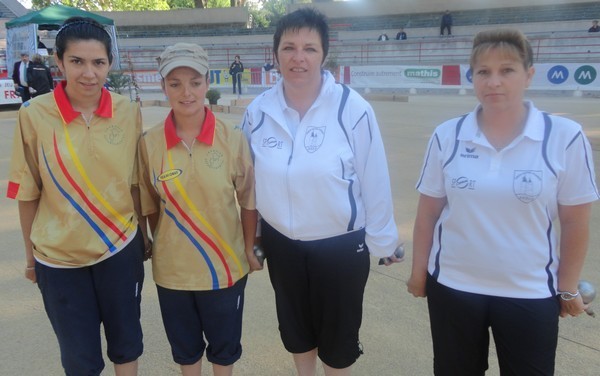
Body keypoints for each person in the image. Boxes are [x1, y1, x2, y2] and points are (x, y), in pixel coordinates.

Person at [407, 28, 599, 375]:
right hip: (453, 288)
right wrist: (419, 272)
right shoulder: (447, 135)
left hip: (529, 291)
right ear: (473, 76)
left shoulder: (564, 137)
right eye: (484, 71)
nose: (494, 81)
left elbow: (575, 222)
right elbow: (428, 212)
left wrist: (568, 288)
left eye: (507, 70)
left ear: (528, 75)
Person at [241, 8, 400, 376]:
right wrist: (256, 237)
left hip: (340, 246)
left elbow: (375, 179)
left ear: (324, 55)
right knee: (296, 332)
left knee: (338, 340)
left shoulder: (352, 109)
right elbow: (248, 183)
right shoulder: (257, 112)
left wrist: (384, 241)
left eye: (310, 48)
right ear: (276, 54)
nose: (299, 58)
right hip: (283, 245)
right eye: (289, 47)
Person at [6, 16, 147, 376]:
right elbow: (28, 192)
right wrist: (30, 258)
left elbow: (134, 182)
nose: (89, 73)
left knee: (126, 344)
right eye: (77, 62)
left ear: (109, 64)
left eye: (98, 63)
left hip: (119, 248)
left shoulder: (128, 113)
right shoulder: (33, 115)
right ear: (59, 62)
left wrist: (143, 235)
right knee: (79, 359)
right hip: (58, 260)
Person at [138, 42, 259, 376]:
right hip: (173, 272)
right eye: (174, 83)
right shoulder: (149, 143)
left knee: (223, 350)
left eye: (194, 82)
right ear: (163, 86)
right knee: (186, 350)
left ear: (208, 83)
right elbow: (149, 204)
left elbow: (249, 200)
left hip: (226, 268)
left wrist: (249, 249)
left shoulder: (232, 138)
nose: (185, 92)